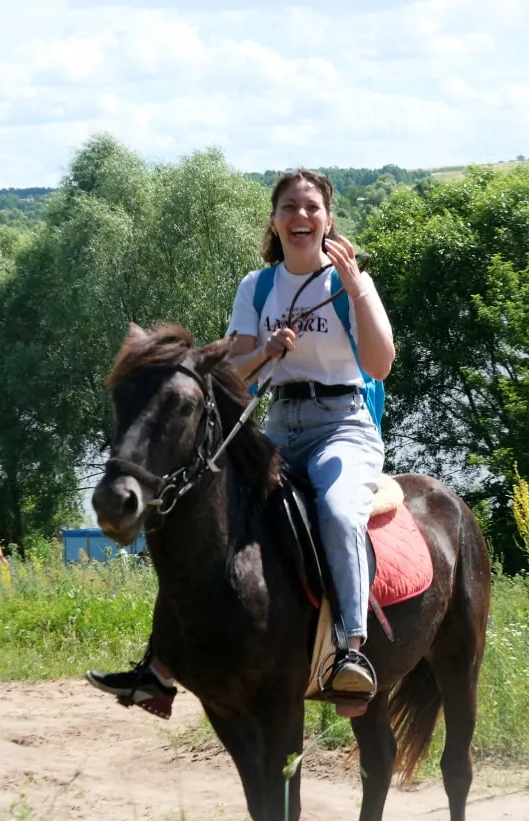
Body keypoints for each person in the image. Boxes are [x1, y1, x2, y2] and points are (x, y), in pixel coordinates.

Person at [86, 169, 395, 717]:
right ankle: (159, 667)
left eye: (311, 208)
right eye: (289, 208)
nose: (301, 216)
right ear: (274, 221)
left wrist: (355, 290)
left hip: (343, 424)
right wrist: (267, 351)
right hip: (278, 422)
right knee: (195, 510)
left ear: (328, 219)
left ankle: (351, 650)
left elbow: (380, 364)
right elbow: (236, 374)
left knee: (339, 510)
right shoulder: (256, 287)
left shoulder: (350, 284)